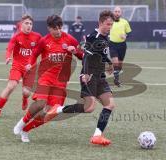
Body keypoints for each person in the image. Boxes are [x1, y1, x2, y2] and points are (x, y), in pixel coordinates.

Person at [43, 10, 115, 146]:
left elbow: (101, 53)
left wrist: (109, 63)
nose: (109, 27)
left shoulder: (106, 36)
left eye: (111, 24)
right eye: (107, 24)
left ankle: (97, 136)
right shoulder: (94, 37)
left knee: (110, 104)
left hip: (100, 75)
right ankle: (58, 109)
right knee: (89, 108)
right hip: (90, 75)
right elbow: (86, 56)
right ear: (100, 23)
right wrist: (86, 73)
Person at [13, 15, 83, 143]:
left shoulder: (70, 39)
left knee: (50, 113)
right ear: (49, 28)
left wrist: (75, 52)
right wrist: (30, 63)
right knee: (40, 103)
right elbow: (34, 54)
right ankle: (23, 122)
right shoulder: (44, 41)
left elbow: (82, 55)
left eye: (59, 28)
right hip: (46, 77)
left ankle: (26, 130)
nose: (57, 31)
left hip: (61, 81)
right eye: (54, 29)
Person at [0, 15, 42, 119]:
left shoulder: (37, 36)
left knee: (26, 92)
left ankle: (24, 98)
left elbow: (45, 46)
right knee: (11, 86)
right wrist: (7, 57)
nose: (29, 26)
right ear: (21, 25)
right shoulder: (17, 36)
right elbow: (9, 47)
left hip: (30, 68)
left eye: (30, 24)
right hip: (17, 66)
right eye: (26, 23)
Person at [109, 6, 132, 87]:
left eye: (118, 11)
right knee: (115, 62)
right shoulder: (109, 21)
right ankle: (116, 80)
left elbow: (129, 33)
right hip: (112, 44)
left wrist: (126, 36)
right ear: (113, 12)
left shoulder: (125, 22)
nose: (117, 13)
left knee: (120, 64)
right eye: (115, 11)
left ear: (121, 13)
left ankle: (116, 77)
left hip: (122, 45)